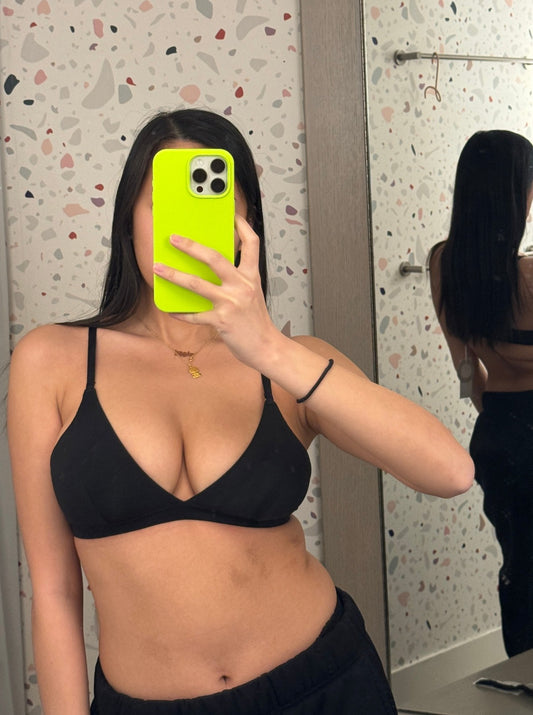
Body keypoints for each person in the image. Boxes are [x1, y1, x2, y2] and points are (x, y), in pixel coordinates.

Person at [8, 108, 473, 715]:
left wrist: (270, 348)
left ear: (245, 226)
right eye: (164, 205)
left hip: (324, 684)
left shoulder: (290, 363)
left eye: (213, 208)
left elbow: (450, 472)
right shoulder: (52, 360)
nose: (186, 231)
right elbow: (54, 591)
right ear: (128, 220)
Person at [429, 129, 533, 657]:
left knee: (520, 565)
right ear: (519, 193)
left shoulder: (444, 263)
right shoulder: (530, 274)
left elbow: (467, 371)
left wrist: (496, 416)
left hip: (497, 433)